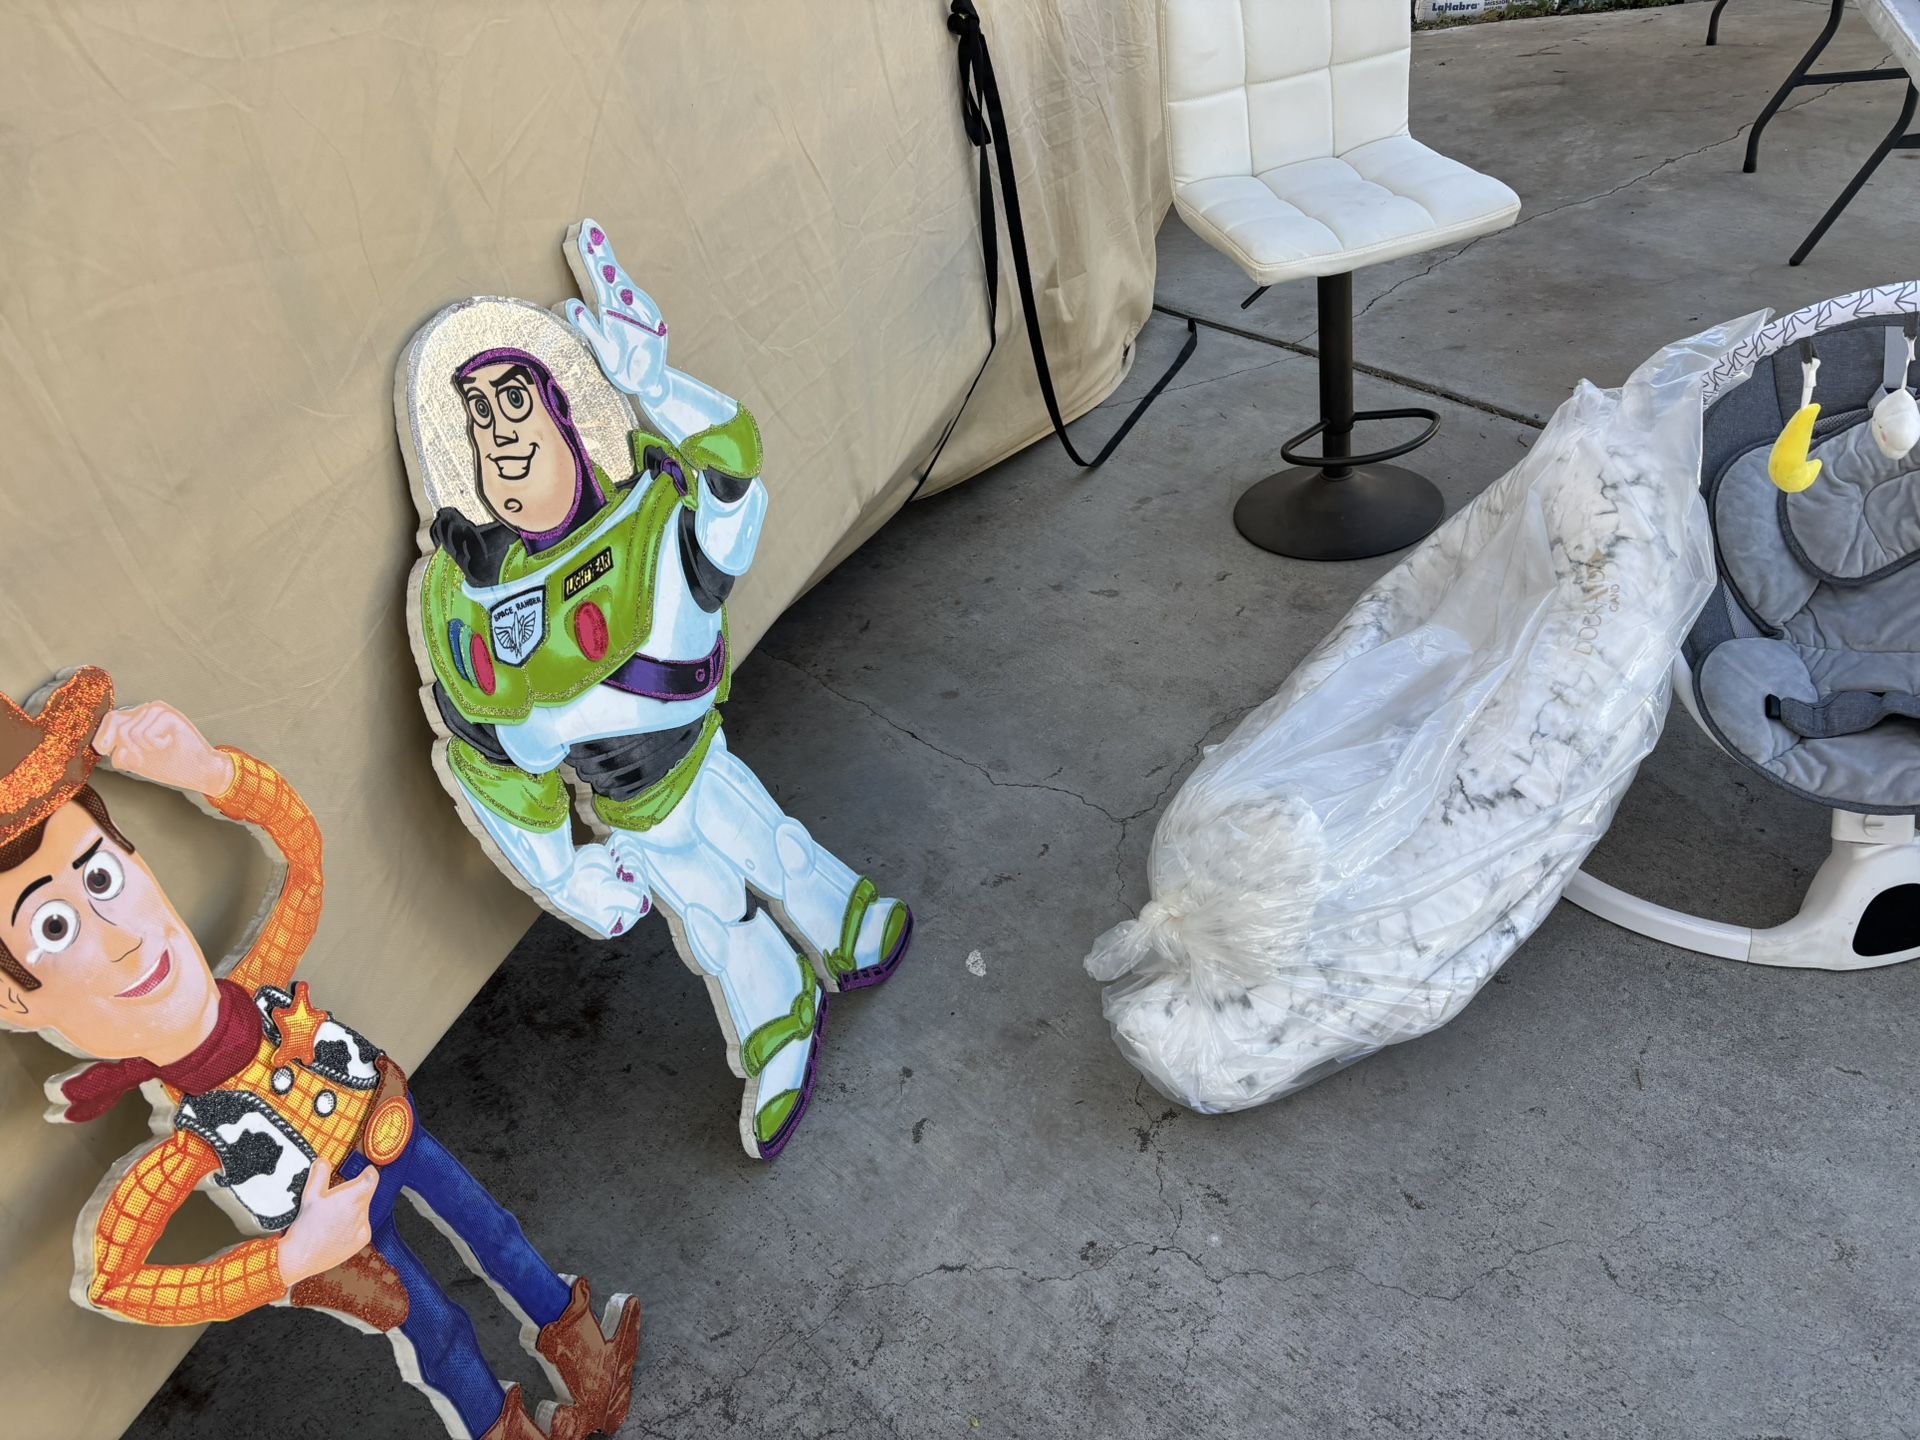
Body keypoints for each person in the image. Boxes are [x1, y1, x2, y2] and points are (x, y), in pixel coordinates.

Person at [0, 668, 639, 1440]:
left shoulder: (259, 987)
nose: (123, 938)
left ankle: (593, 1360)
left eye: (102, 876)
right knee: (435, 1332)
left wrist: (210, 771)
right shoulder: (191, 1145)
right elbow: (113, 1278)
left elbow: (304, 858)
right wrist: (284, 1262)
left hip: (394, 1128)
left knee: (496, 1234)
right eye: (56, 929)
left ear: (136, 863)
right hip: (341, 1227)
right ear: (14, 1001)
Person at [410, 221, 912, 1159]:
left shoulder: (653, 519)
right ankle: (780, 1026)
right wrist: (564, 872)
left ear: (565, 411)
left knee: (770, 846)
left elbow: (736, 477)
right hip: (627, 812)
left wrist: (656, 384)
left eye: (514, 398)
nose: (500, 432)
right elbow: (489, 759)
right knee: (715, 922)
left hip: (697, 760)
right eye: (477, 413)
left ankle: (846, 923)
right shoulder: (468, 606)